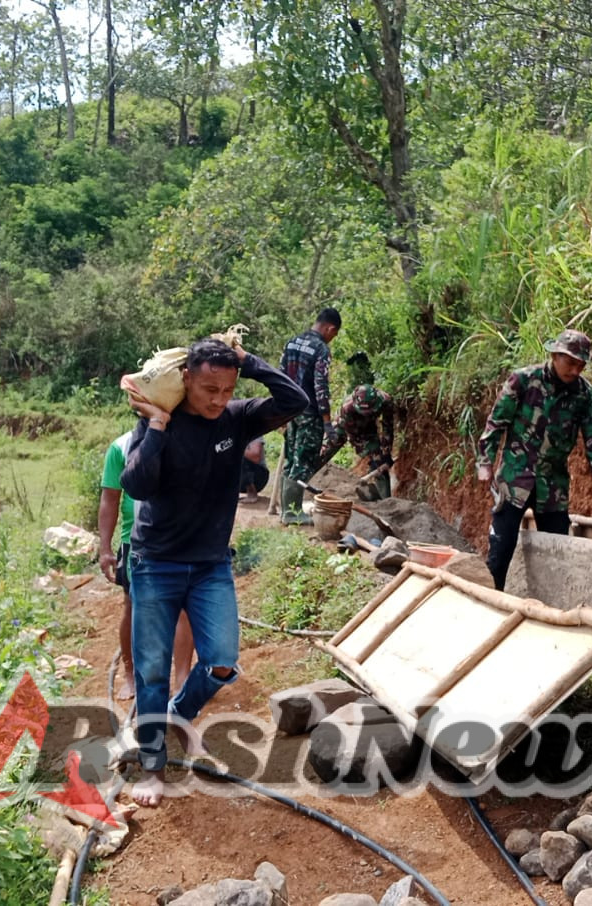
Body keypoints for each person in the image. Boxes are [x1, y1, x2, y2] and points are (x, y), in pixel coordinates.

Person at [121, 337, 307, 806]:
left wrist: (249, 362)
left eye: (227, 389)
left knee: (222, 661)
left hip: (210, 566)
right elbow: (136, 484)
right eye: (209, 389)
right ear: (186, 378)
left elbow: (295, 401)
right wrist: (157, 424)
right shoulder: (158, 419)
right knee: (152, 670)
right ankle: (152, 767)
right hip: (155, 563)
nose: (219, 399)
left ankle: (178, 715)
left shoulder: (237, 418)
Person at [476, 329, 592, 590]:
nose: (575, 370)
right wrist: (485, 462)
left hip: (553, 485)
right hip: (515, 479)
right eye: (570, 363)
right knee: (501, 549)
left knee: (558, 554)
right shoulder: (523, 380)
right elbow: (496, 423)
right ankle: (490, 601)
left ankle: (549, 608)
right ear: (555, 355)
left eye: (581, 365)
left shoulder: (586, 396)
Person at [97, 430, 195, 700]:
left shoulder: (189, 436)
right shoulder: (121, 447)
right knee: (132, 606)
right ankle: (130, 675)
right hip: (136, 542)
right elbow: (110, 498)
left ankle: (182, 681)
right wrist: (105, 548)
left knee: (184, 607)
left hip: (180, 538)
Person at [277, 307, 342, 524]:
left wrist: (280, 411)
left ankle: (286, 510)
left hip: (290, 412)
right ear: (330, 328)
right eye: (334, 334)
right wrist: (327, 421)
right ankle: (292, 513)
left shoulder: (292, 343)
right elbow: (320, 386)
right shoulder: (320, 349)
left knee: (291, 460)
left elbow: (279, 377)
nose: (332, 339)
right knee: (303, 462)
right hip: (309, 413)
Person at [316, 352, 396, 501]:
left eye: (369, 410)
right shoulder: (347, 408)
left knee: (379, 461)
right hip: (344, 426)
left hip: (369, 428)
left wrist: (386, 452)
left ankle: (386, 501)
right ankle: (302, 480)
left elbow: (387, 427)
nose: (367, 413)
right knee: (324, 451)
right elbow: (353, 435)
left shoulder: (386, 401)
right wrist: (363, 450)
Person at [239, 436, 270, 503]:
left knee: (239, 457)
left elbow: (255, 456)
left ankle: (252, 494)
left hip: (258, 478)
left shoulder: (255, 432)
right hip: (239, 482)